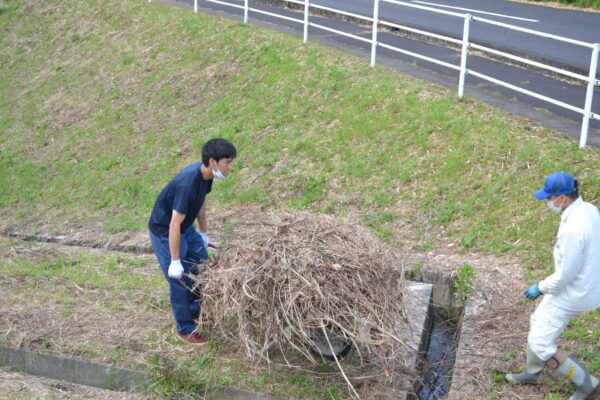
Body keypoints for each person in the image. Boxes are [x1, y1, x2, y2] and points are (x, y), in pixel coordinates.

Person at [506, 172, 600, 400]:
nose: (548, 202)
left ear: (562, 198)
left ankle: (587, 384)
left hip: (574, 291)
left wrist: (540, 287)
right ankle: (533, 373)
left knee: (540, 342)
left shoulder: (574, 227)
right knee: (538, 319)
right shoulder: (588, 209)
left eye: (550, 198)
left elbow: (566, 274)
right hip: (585, 283)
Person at [148, 138, 236, 344]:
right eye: (227, 162)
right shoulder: (188, 183)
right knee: (179, 278)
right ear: (213, 162)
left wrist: (203, 233)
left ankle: (195, 310)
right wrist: (175, 261)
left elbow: (200, 202)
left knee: (202, 266)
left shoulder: (206, 176)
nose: (230, 167)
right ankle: (185, 327)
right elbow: (173, 224)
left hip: (185, 227)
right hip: (165, 230)